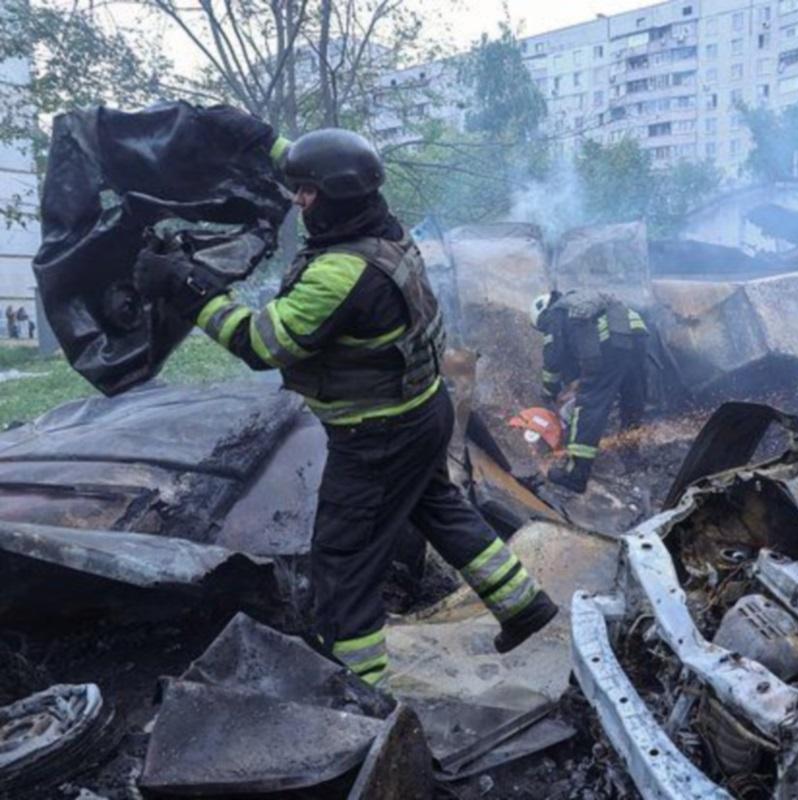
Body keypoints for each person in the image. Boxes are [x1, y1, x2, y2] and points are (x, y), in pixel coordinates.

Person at [133, 111, 558, 686]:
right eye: (298, 187)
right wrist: (263, 141)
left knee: (345, 563)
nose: (299, 201)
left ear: (335, 195)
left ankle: (361, 691)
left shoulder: (339, 273)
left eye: (308, 191)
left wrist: (187, 288)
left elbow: (263, 343)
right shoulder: (382, 228)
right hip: (423, 411)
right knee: (438, 507)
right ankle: (524, 603)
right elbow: (328, 169)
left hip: (377, 437)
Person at [530, 290, 650, 493]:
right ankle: (631, 456)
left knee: (590, 405)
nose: (545, 331)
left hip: (611, 340)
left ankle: (576, 474)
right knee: (632, 400)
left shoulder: (556, 313)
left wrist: (548, 391)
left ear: (542, 313)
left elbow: (553, 360)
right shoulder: (581, 301)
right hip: (638, 335)